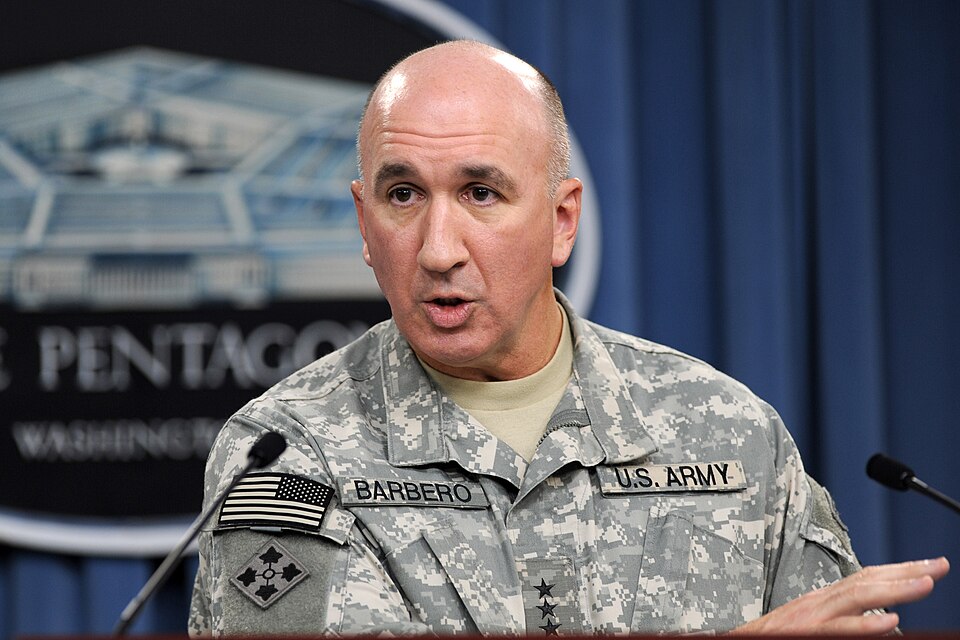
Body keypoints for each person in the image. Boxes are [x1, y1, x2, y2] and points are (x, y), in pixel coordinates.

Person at [189, 40, 948, 636]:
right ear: (363, 223)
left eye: (481, 193)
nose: (437, 248)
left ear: (562, 219)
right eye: (402, 195)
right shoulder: (287, 455)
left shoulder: (726, 431)